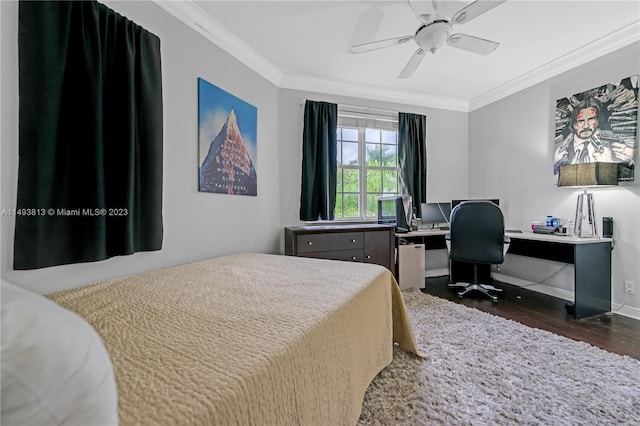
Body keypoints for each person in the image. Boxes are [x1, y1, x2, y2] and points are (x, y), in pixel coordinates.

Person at [554, 99, 613, 173]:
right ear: (572, 123)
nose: (586, 126)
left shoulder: (614, 142)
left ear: (598, 120)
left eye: (591, 119)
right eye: (580, 121)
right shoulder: (557, 148)